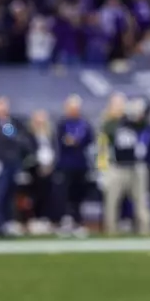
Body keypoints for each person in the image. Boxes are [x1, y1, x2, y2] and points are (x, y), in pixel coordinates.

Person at [99, 93, 150, 235]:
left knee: (141, 201)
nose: (119, 108)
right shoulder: (109, 123)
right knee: (112, 201)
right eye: (116, 105)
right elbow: (108, 132)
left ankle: (145, 230)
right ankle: (111, 231)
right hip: (117, 166)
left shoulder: (133, 121)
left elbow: (145, 123)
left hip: (136, 166)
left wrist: (137, 113)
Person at [55, 94, 94, 236]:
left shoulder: (84, 124)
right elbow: (63, 142)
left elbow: (88, 140)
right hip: (66, 164)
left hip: (80, 164)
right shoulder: (62, 124)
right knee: (65, 194)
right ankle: (66, 221)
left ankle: (77, 221)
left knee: (78, 195)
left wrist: (74, 142)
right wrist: (73, 142)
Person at [0, 95, 27, 236]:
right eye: (0, 105)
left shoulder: (13, 123)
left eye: (5, 105)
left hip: (14, 163)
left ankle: (9, 222)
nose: (3, 109)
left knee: (11, 194)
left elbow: (23, 139)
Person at [26, 109, 58, 234]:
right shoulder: (30, 134)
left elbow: (55, 149)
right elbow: (29, 150)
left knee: (49, 194)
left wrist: (51, 164)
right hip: (36, 168)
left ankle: (46, 219)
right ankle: (36, 219)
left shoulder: (50, 134)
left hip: (49, 167)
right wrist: (38, 164)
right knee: (36, 194)